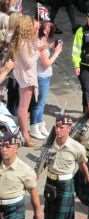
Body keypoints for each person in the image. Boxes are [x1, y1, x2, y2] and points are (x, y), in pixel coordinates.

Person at [41, 114, 89, 219]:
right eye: (57, 126)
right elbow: (42, 162)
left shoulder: (77, 147)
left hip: (65, 185)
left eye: (62, 127)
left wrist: (87, 176)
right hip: (50, 183)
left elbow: (82, 163)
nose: (58, 130)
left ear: (69, 129)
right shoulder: (49, 143)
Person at [0, 131, 43, 219]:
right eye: (1, 145)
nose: (3, 149)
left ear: (16, 147)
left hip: (14, 211)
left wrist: (38, 210)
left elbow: (34, 191)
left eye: (7, 146)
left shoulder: (25, 170)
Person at [30, 8, 63, 140]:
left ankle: (40, 124)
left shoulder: (41, 41)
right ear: (44, 29)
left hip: (44, 76)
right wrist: (57, 53)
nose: (51, 29)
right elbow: (46, 63)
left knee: (41, 102)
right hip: (42, 76)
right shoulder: (40, 42)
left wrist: (50, 47)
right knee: (40, 103)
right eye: (49, 27)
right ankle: (34, 126)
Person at [10, 15, 39, 147]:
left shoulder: (21, 40)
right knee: (23, 108)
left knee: (24, 108)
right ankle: (25, 136)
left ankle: (24, 133)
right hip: (26, 78)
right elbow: (28, 63)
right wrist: (39, 52)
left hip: (24, 77)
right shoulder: (22, 42)